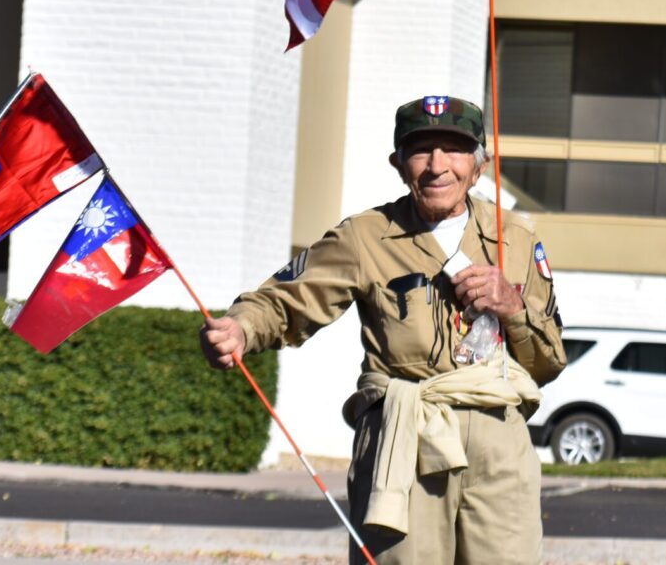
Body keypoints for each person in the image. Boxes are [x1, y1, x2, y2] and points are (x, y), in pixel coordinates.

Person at [199, 96, 566, 565]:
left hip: (499, 443)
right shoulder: (365, 236)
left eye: (453, 149)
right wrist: (240, 328)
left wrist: (512, 306)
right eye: (420, 150)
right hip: (403, 438)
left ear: (479, 166)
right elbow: (286, 299)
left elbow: (549, 360)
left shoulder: (516, 237)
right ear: (398, 163)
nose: (437, 166)